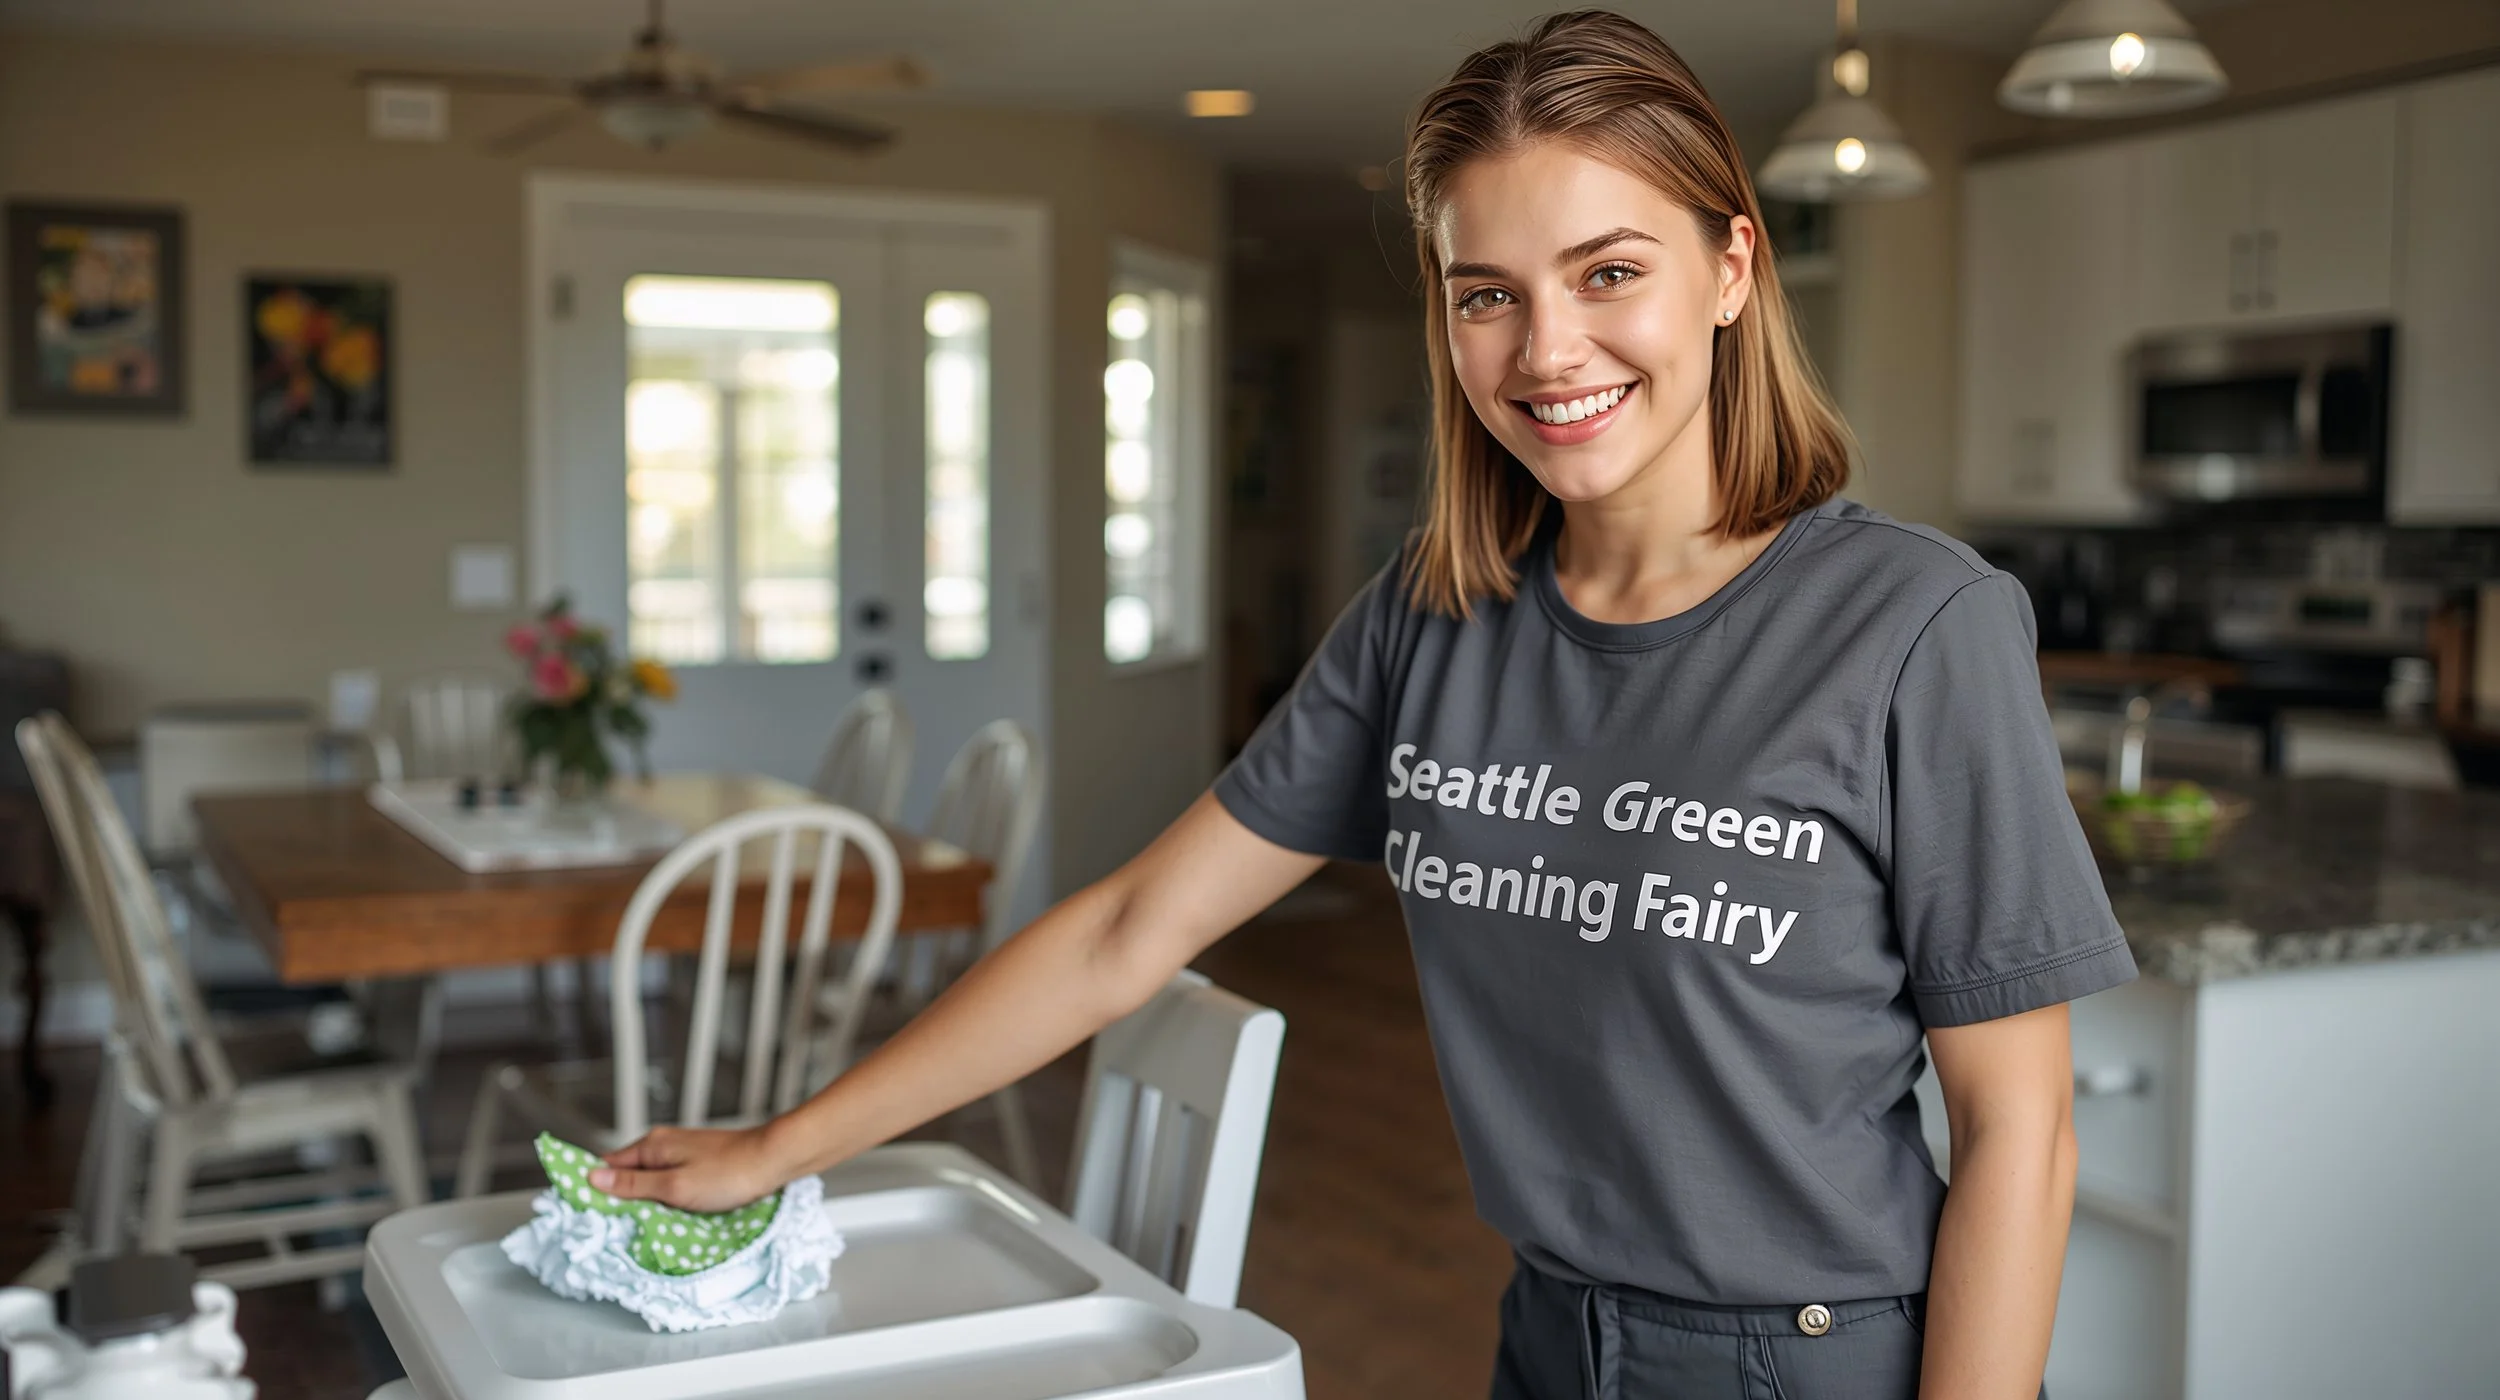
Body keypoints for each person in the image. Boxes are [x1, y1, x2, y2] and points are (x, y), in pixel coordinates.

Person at [589, 11, 2133, 1397]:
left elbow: (2020, 1131)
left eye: (1610, 273)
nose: (1548, 350)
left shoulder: (1916, 626)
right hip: (1548, 1333)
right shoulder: (1434, 615)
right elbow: (1130, 931)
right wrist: (780, 1149)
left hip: (1822, 1358)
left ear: (1731, 269)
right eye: (1487, 296)